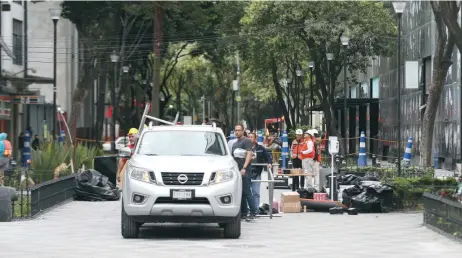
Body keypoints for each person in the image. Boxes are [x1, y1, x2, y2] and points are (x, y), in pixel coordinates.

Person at [228, 124, 256, 221]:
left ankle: (253, 212)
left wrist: (244, 168)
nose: (237, 132)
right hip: (237, 170)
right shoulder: (235, 143)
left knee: (247, 192)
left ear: (243, 131)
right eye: (235, 130)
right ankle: (243, 213)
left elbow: (249, 154)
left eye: (239, 130)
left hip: (245, 170)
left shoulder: (247, 141)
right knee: (241, 192)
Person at [248, 132, 272, 213]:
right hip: (247, 173)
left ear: (255, 139)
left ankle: (256, 210)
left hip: (256, 173)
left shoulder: (260, 148)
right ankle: (247, 210)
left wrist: (269, 163)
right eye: (249, 137)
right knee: (247, 193)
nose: (250, 138)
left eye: (252, 137)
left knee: (256, 192)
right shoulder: (245, 148)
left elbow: (268, 156)